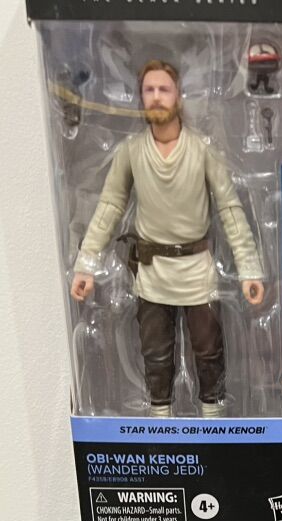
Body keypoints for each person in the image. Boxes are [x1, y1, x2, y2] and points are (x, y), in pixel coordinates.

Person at [71, 60, 264, 417]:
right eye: (149, 90)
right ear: (141, 97)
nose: (157, 97)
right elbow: (110, 207)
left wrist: (249, 269)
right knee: (156, 357)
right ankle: (161, 425)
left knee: (209, 354)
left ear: (178, 96)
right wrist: (86, 264)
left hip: (197, 272)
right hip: (152, 274)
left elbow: (230, 209)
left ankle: (213, 423)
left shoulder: (202, 150)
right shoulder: (131, 151)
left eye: (164, 89)